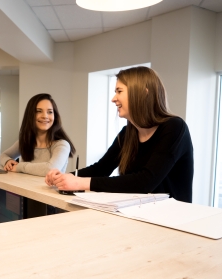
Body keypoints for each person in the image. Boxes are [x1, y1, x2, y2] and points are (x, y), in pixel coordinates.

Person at [46, 66, 194, 202]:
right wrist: (66, 177)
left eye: (119, 91)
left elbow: (145, 182)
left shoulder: (174, 128)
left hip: (171, 221)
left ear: (143, 93)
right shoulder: (128, 133)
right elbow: (101, 169)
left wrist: (79, 182)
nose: (113, 98)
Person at [0, 93, 76, 177]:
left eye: (50, 112)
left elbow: (50, 169)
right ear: (30, 115)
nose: (45, 116)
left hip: (48, 190)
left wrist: (19, 167)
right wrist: (8, 161)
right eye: (39, 111)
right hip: (23, 188)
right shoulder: (25, 142)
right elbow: (4, 155)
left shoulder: (62, 145)